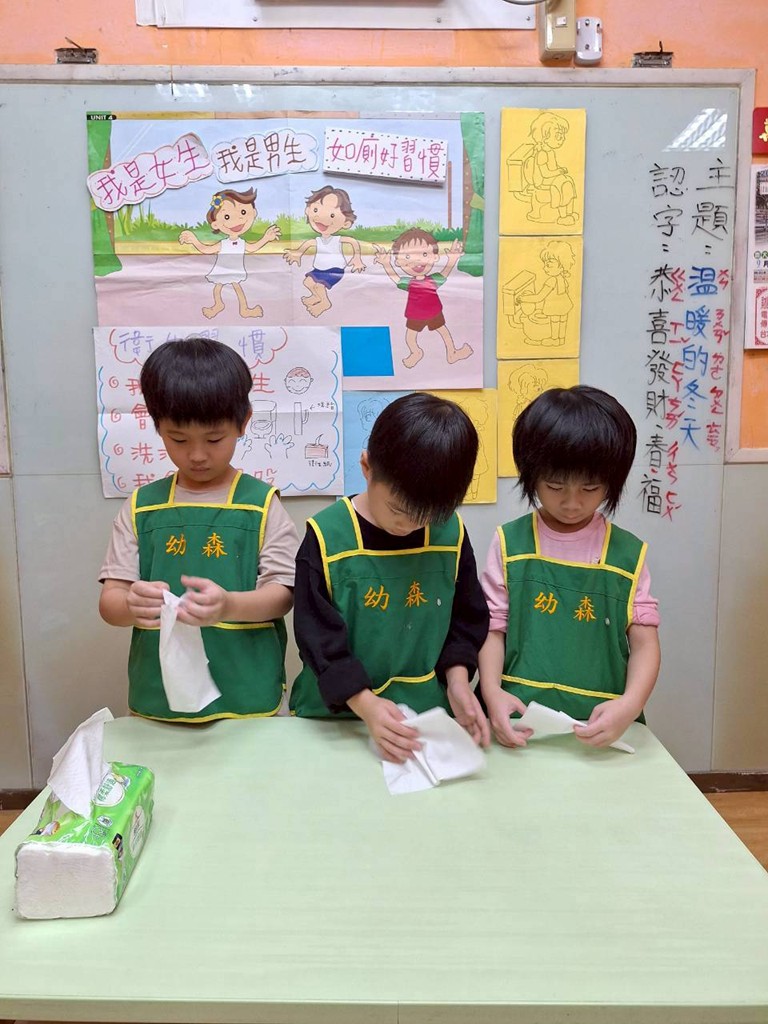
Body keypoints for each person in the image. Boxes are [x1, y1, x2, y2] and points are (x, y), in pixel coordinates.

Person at [99, 337, 298, 722]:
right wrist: (130, 606)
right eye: (178, 439)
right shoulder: (142, 507)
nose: (197, 455)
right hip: (160, 697)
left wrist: (229, 606)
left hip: (248, 695)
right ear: (157, 426)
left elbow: (282, 595)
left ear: (243, 422)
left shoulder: (261, 504)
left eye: (214, 439)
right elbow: (111, 602)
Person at [290, 392, 490, 763]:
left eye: (426, 515)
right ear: (367, 467)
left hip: (423, 721)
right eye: (398, 510)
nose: (409, 525)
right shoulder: (327, 536)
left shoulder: (450, 534)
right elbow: (317, 637)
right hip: (335, 721)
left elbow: (466, 620)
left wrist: (459, 682)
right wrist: (365, 703)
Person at [479, 385, 660, 749]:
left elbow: (645, 645)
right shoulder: (510, 543)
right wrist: (491, 691)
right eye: (555, 486)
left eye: (590, 488)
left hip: (599, 729)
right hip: (518, 722)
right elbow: (492, 630)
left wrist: (630, 704)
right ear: (531, 475)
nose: (572, 503)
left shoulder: (627, 554)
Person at [373, 229, 472, 369]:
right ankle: (416, 352)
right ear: (398, 261)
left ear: (435, 257)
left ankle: (452, 353)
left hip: (434, 312)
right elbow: (396, 279)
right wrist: (386, 264)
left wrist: (452, 259)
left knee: (443, 332)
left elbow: (445, 272)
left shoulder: (432, 280)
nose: (417, 260)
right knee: (410, 337)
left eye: (424, 254)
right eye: (408, 256)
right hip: (416, 315)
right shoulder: (410, 282)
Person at [179, 187, 280, 319]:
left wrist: (266, 238)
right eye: (227, 217)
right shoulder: (223, 244)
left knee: (235, 287)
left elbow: (253, 247)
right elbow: (206, 249)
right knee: (219, 287)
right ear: (215, 225)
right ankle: (219, 305)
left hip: (235, 270)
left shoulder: (241, 243)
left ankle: (244, 309)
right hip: (221, 270)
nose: (237, 220)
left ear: (253, 212)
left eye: (243, 212)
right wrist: (194, 240)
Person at [282, 185, 365, 317]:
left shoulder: (337, 239)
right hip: (319, 269)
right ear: (308, 210)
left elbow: (353, 242)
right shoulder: (318, 240)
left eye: (332, 215)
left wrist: (357, 258)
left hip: (335, 270)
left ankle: (325, 303)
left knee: (320, 286)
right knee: (307, 282)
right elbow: (307, 245)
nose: (321, 218)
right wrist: (297, 253)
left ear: (346, 223)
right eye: (316, 210)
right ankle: (316, 297)